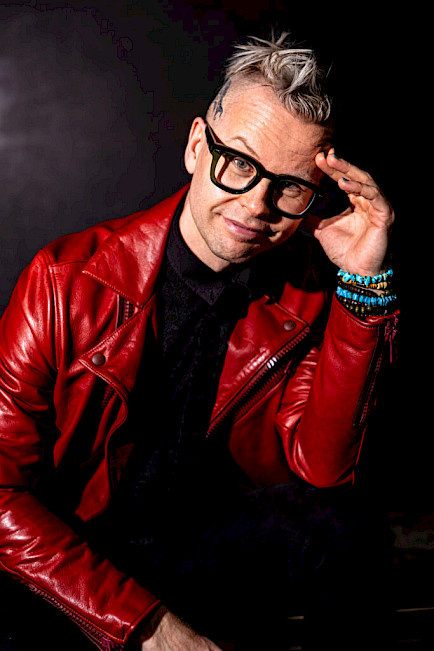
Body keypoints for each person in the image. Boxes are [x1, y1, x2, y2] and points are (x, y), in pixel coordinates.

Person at [0, 32, 398, 650]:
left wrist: (363, 285)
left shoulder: (309, 293)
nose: (257, 204)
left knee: (345, 526)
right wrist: (153, 631)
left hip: (200, 545)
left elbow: (324, 470)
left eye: (290, 186)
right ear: (195, 146)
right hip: (77, 553)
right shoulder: (65, 282)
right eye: (239, 162)